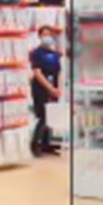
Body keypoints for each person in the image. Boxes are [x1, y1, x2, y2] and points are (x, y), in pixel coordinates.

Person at [30, 25, 62, 157]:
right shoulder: (36, 53)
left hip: (53, 88)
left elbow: (58, 72)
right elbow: (37, 73)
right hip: (40, 88)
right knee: (43, 116)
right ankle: (35, 144)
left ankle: (46, 144)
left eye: (49, 34)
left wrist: (58, 88)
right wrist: (49, 87)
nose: (47, 37)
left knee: (51, 116)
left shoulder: (54, 55)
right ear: (39, 36)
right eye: (44, 34)